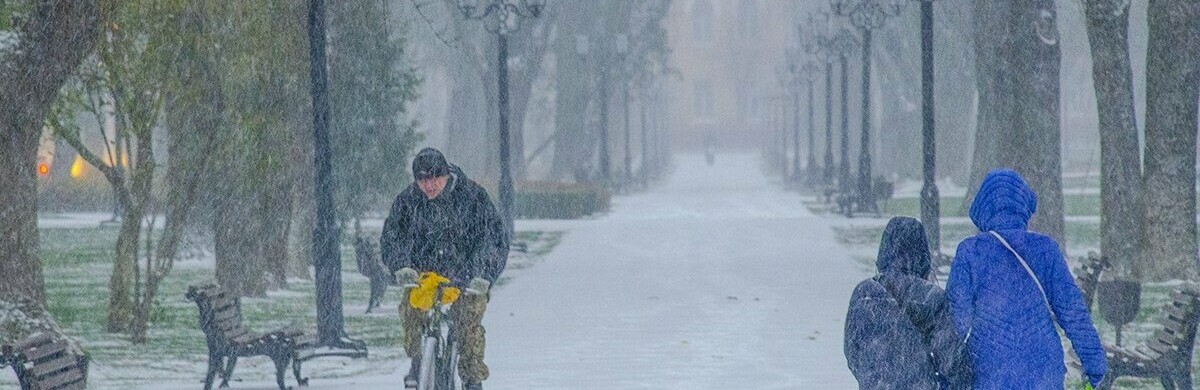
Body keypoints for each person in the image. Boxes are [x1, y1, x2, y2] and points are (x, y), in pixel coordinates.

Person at [947, 169, 1106, 389]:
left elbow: (956, 321)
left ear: (982, 208)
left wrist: (945, 372)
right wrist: (1094, 363)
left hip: (990, 369)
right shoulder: (1045, 250)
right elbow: (1073, 312)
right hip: (1042, 369)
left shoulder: (970, 252)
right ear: (1024, 206)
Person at [381, 148, 509, 390]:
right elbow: (392, 236)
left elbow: (493, 239)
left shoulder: (472, 198)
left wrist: (483, 274)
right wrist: (401, 266)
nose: (428, 186)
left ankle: (472, 380)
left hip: (466, 275)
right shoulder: (408, 201)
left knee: (468, 326)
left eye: (434, 179)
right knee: (411, 314)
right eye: (422, 180)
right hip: (424, 276)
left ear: (446, 174)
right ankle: (418, 362)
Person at [845, 216, 973, 390]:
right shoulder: (930, 297)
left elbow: (852, 350)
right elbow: (950, 358)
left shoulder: (863, 293)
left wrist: (874, 377)